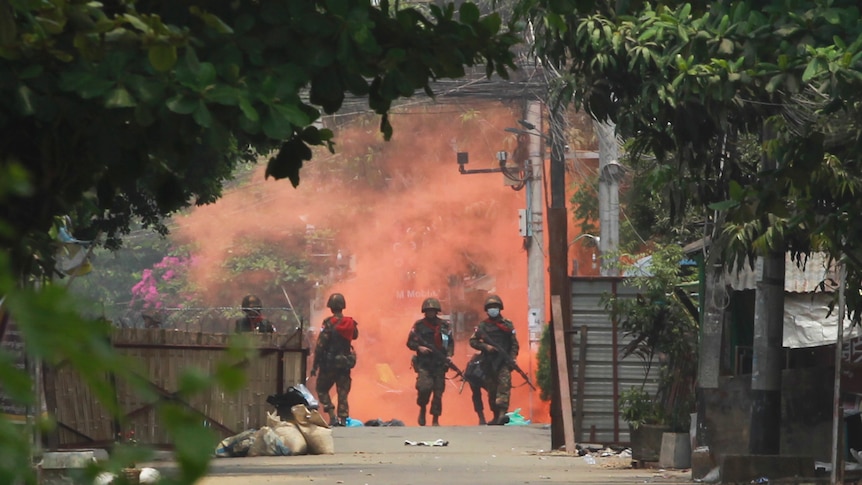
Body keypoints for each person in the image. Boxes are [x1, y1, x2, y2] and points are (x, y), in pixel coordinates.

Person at [469, 294, 520, 425]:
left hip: (503, 362)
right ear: (487, 310)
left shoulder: (507, 324)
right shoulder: (483, 326)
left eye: (495, 307)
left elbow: (514, 344)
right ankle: (496, 416)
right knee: (492, 391)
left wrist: (512, 359)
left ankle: (502, 413)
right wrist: (485, 346)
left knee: (503, 387)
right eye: (491, 307)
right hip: (488, 363)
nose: (493, 309)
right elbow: (473, 341)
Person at [310, 292, 358, 426]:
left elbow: (320, 346)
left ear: (331, 307)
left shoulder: (328, 323)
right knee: (342, 392)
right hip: (345, 364)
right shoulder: (350, 323)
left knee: (321, 389)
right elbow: (355, 336)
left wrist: (315, 366)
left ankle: (332, 416)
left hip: (329, 364)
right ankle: (343, 419)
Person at [406, 297, 454, 427]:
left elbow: (450, 343)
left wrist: (449, 356)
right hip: (424, 363)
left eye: (433, 311)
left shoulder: (444, 325)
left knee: (438, 393)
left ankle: (435, 419)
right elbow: (410, 342)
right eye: (428, 311)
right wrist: (419, 348)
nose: (430, 313)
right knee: (424, 388)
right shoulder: (419, 326)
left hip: (439, 363)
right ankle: (422, 409)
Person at [464, 352, 492, 425]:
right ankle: (482, 418)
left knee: (492, 393)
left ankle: (495, 416)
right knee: (479, 395)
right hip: (478, 371)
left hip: (480, 369)